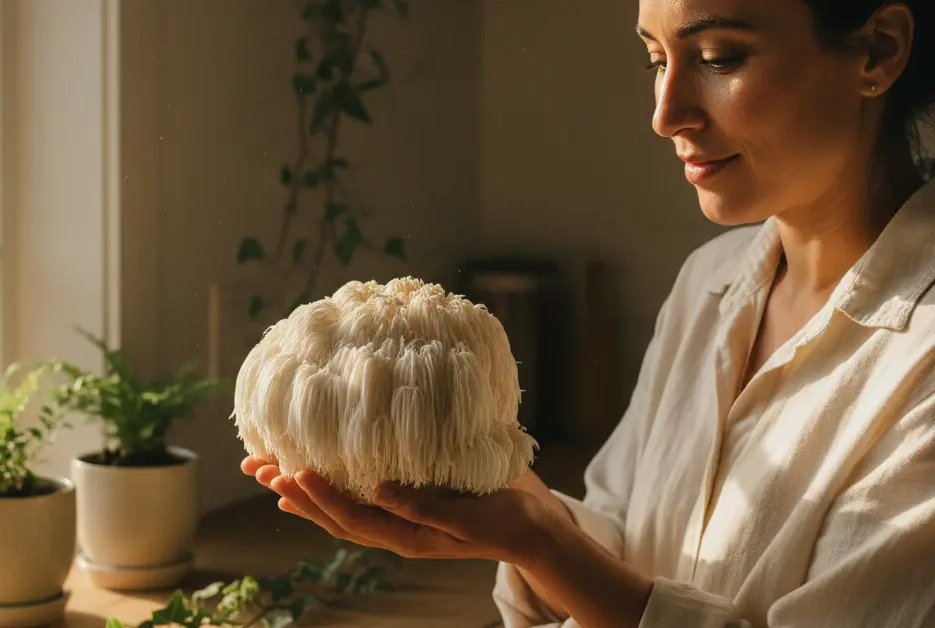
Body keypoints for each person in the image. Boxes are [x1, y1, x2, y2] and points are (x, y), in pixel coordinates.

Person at [240, 0, 935, 625]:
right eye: (656, 60)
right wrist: (517, 515)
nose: (665, 114)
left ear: (876, 51)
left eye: (719, 58)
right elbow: (623, 541)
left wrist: (538, 540)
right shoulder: (711, 282)